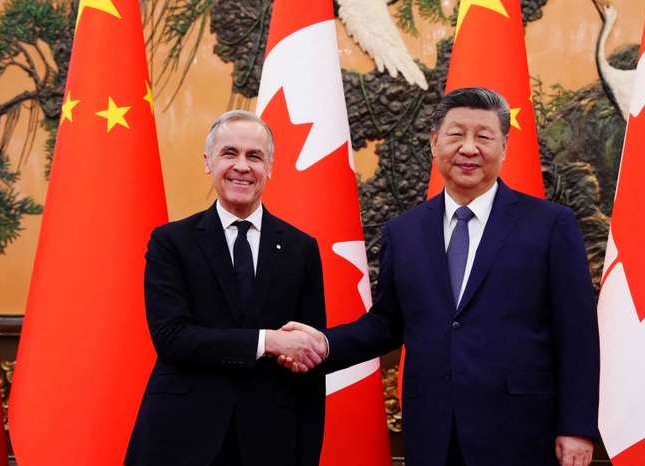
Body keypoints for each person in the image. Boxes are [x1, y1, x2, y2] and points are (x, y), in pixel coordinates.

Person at [282, 87, 599, 466]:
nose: (469, 148)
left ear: (504, 148)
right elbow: (386, 324)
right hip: (433, 432)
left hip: (521, 432)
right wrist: (323, 344)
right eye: (455, 135)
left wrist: (577, 427)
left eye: (483, 136)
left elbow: (577, 332)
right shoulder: (404, 231)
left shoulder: (550, 225)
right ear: (435, 144)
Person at [125, 110, 328, 466]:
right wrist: (268, 341)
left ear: (270, 167)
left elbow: (308, 359)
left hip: (271, 441)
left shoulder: (301, 248)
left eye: (254, 156)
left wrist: (308, 451)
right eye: (229, 153)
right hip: (182, 438)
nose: (242, 166)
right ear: (208, 162)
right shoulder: (171, 242)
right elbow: (172, 338)